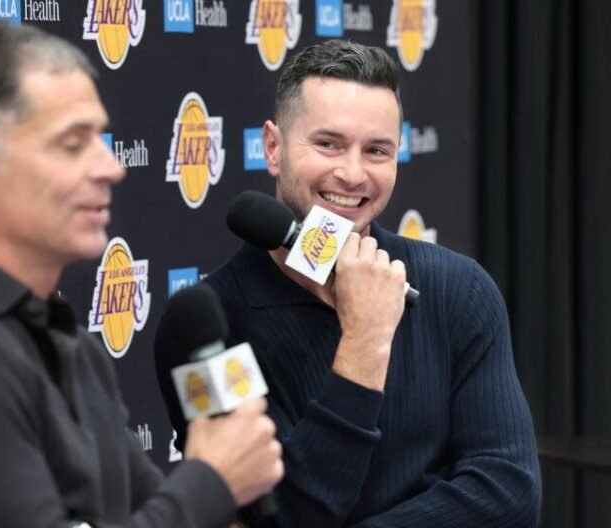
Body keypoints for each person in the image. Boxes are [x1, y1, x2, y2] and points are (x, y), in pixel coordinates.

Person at [0, 21, 283, 528]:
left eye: (101, 138)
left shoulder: (71, 346)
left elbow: (147, 509)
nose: (111, 167)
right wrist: (212, 479)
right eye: (74, 144)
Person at [155, 40, 541, 527]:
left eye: (376, 150)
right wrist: (365, 339)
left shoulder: (458, 291)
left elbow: (509, 493)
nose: (353, 173)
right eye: (329, 144)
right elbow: (280, 517)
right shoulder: (203, 330)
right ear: (273, 147)